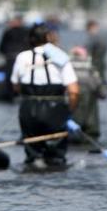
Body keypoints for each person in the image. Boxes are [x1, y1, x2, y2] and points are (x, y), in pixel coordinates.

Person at [11, 24, 80, 166]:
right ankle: (55, 172)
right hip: (55, 110)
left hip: (29, 110)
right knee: (56, 156)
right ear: (49, 37)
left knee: (33, 152)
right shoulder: (61, 56)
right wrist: (69, 112)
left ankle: (33, 168)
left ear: (30, 39)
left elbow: (15, 86)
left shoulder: (22, 57)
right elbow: (74, 91)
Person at [70, 46, 106, 140]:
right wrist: (102, 94)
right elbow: (98, 84)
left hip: (72, 99)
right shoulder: (90, 66)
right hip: (89, 104)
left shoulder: (68, 66)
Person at [0, 15, 30, 85]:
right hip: (24, 58)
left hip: (10, 57)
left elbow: (1, 47)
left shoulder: (8, 32)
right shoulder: (27, 31)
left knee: (10, 77)